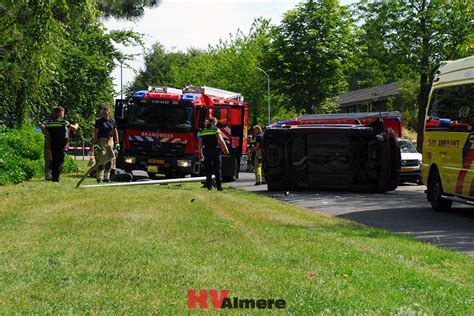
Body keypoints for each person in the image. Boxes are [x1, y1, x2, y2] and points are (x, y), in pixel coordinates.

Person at [44, 106, 79, 182]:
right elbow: (73, 128)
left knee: (54, 159)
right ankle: (56, 178)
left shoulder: (50, 122)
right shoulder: (63, 121)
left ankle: (53, 176)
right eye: (63, 113)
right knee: (60, 161)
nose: (63, 115)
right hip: (61, 144)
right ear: (60, 113)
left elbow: (44, 126)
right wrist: (76, 125)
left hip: (53, 143)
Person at [198, 117, 230, 191]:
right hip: (215, 151)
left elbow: (199, 142)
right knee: (217, 169)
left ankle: (209, 186)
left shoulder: (203, 130)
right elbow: (221, 140)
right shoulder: (216, 129)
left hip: (206, 151)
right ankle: (219, 187)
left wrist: (200, 153)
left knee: (208, 169)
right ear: (215, 122)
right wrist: (226, 149)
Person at [93, 106, 119, 183]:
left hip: (110, 141)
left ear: (109, 113)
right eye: (103, 112)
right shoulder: (99, 121)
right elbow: (96, 132)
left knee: (110, 158)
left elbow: (115, 131)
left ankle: (106, 178)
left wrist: (117, 142)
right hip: (101, 140)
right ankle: (99, 177)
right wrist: (95, 143)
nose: (104, 113)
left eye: (105, 112)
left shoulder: (112, 121)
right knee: (101, 158)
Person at [40, 111, 54, 180]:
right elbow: (42, 125)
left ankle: (51, 174)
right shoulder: (49, 120)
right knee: (49, 158)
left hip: (53, 140)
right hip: (49, 140)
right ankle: (48, 175)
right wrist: (46, 133)